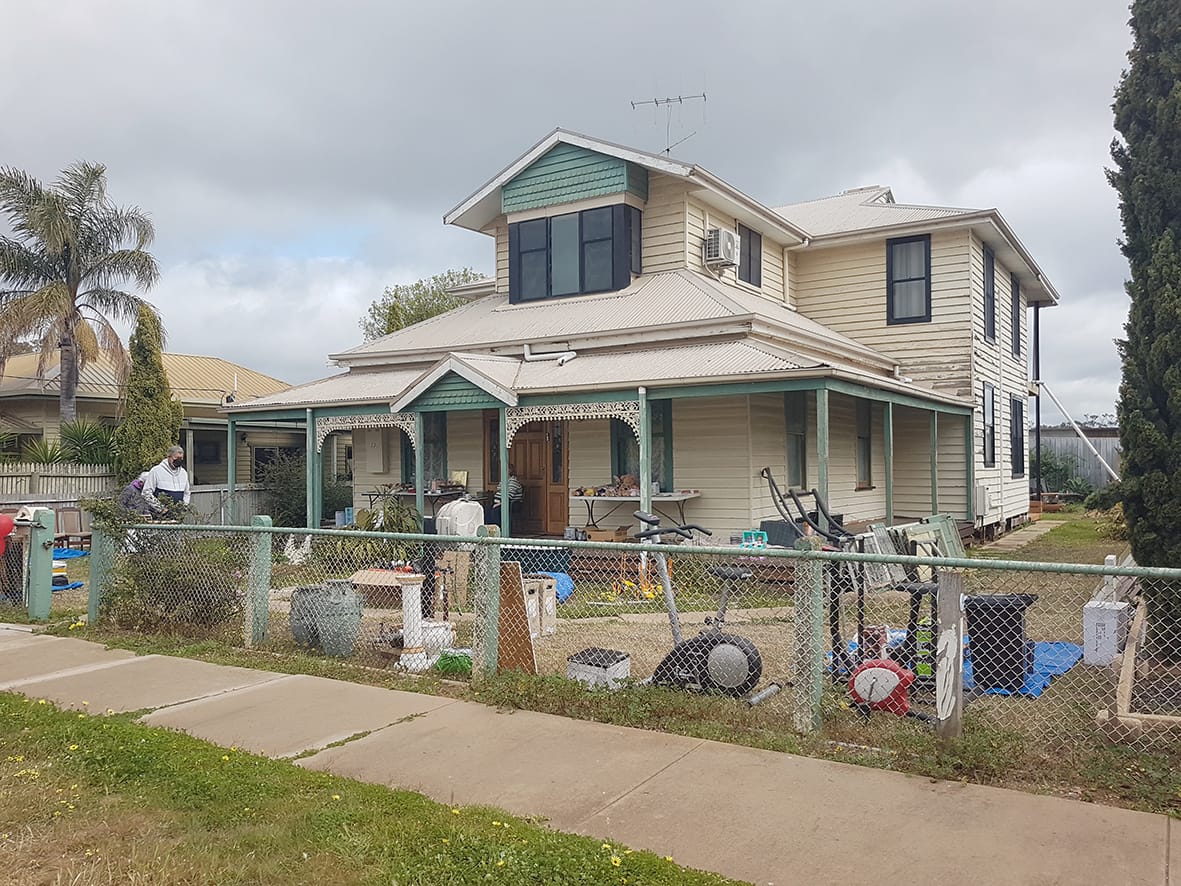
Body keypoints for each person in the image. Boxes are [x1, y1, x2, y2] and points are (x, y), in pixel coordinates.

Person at [143, 445, 191, 514]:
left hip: (178, 515)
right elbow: (146, 493)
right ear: (169, 457)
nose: (179, 460)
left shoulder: (183, 473)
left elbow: (187, 493)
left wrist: (184, 507)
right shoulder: (156, 471)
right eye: (176, 457)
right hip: (159, 515)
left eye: (181, 458)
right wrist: (161, 508)